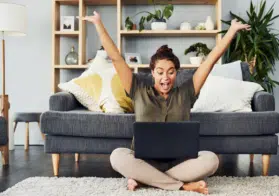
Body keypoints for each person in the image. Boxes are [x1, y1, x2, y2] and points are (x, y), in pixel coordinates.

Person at [78, 11, 251, 195]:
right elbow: (115, 58)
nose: (165, 78)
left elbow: (210, 61)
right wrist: (98, 24)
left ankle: (146, 179)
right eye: (160, 72)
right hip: (144, 161)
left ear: (176, 72)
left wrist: (231, 31)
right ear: (152, 72)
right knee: (117, 156)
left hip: (179, 163)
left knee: (211, 160)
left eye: (170, 72)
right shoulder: (137, 89)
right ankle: (181, 185)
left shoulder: (187, 92)